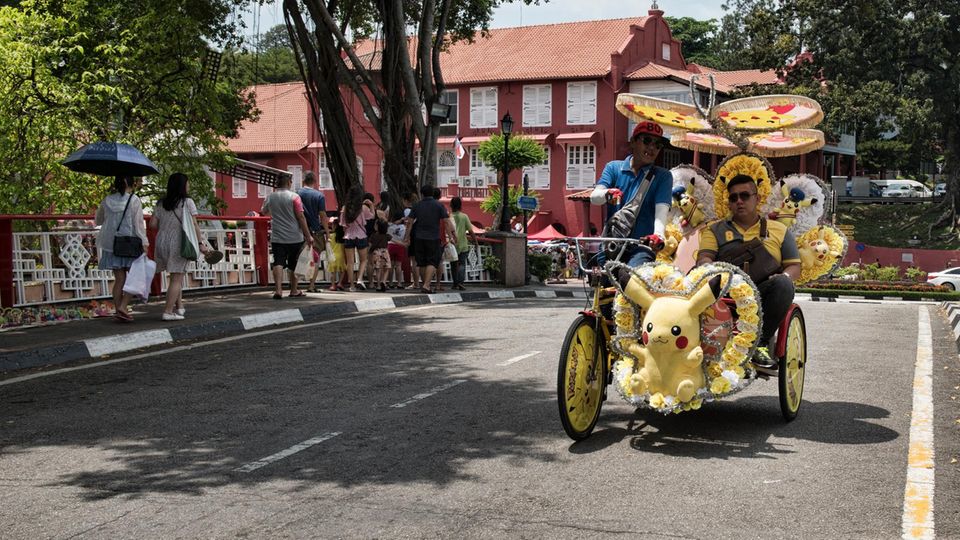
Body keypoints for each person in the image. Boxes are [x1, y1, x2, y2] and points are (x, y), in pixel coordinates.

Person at [696, 173, 801, 368]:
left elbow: (794, 265)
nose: (739, 201)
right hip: (725, 294)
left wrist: (784, 276)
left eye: (744, 196)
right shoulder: (714, 230)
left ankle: (759, 343)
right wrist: (706, 266)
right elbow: (705, 258)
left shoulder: (779, 230)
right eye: (733, 198)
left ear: (757, 198)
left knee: (784, 284)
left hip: (763, 294)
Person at [589, 121, 674, 266]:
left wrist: (658, 235)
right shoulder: (613, 168)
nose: (652, 148)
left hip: (641, 246)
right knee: (602, 281)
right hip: (612, 244)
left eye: (657, 144)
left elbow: (661, 213)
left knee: (633, 278)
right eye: (647, 141)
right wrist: (607, 194)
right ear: (633, 142)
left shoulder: (662, 176)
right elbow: (594, 197)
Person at [150, 172, 212, 321]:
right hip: (179, 242)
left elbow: (152, 224)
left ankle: (179, 306)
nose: (189, 185)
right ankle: (167, 311)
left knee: (174, 276)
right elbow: (195, 224)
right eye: (187, 183)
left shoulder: (161, 203)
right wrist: (200, 243)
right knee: (177, 278)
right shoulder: (187, 202)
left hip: (162, 242)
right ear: (183, 186)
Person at [95, 175, 148, 322]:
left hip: (111, 244)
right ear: (131, 184)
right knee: (134, 277)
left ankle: (119, 309)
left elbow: (98, 220)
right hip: (130, 243)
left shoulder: (107, 200)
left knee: (119, 279)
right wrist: (145, 242)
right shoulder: (134, 200)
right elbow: (138, 225)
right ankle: (123, 306)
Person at [261, 175, 313, 299]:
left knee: (278, 262)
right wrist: (308, 235)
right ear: (289, 183)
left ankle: (278, 290)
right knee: (293, 264)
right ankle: (294, 290)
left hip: (277, 236)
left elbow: (264, 211)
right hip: (295, 236)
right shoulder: (295, 197)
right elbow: (301, 217)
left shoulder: (271, 197)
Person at [404, 184, 456, 293]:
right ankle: (427, 285)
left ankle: (425, 284)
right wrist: (450, 237)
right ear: (432, 193)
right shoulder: (439, 205)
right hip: (433, 237)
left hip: (418, 237)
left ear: (422, 194)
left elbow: (409, 222)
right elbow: (446, 222)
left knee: (421, 262)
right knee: (432, 261)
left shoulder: (417, 205)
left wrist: (407, 236)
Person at [297, 171, 330, 292]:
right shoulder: (319, 196)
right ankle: (311, 285)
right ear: (315, 181)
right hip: (315, 230)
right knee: (315, 258)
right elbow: (322, 215)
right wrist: (326, 231)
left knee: (298, 257)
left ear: (303, 180)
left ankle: (294, 285)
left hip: (299, 230)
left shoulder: (297, 194)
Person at [340, 185, 374, 291]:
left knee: (349, 262)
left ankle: (352, 286)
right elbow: (372, 216)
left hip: (348, 236)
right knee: (363, 260)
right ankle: (359, 279)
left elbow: (343, 225)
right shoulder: (363, 208)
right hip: (361, 236)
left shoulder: (345, 208)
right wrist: (371, 205)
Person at [449, 196, 479, 291]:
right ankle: (461, 282)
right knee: (462, 264)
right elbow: (471, 231)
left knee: (453, 264)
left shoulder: (449, 217)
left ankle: (455, 283)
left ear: (451, 205)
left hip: (452, 244)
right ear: (460, 205)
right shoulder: (464, 216)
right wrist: (475, 241)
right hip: (463, 244)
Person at [368, 219, 392, 292]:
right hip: (385, 252)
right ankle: (383, 281)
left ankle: (378, 285)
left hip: (376, 252)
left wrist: (369, 252)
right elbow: (392, 239)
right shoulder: (386, 236)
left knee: (378, 269)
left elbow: (370, 245)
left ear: (377, 227)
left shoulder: (373, 235)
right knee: (387, 268)